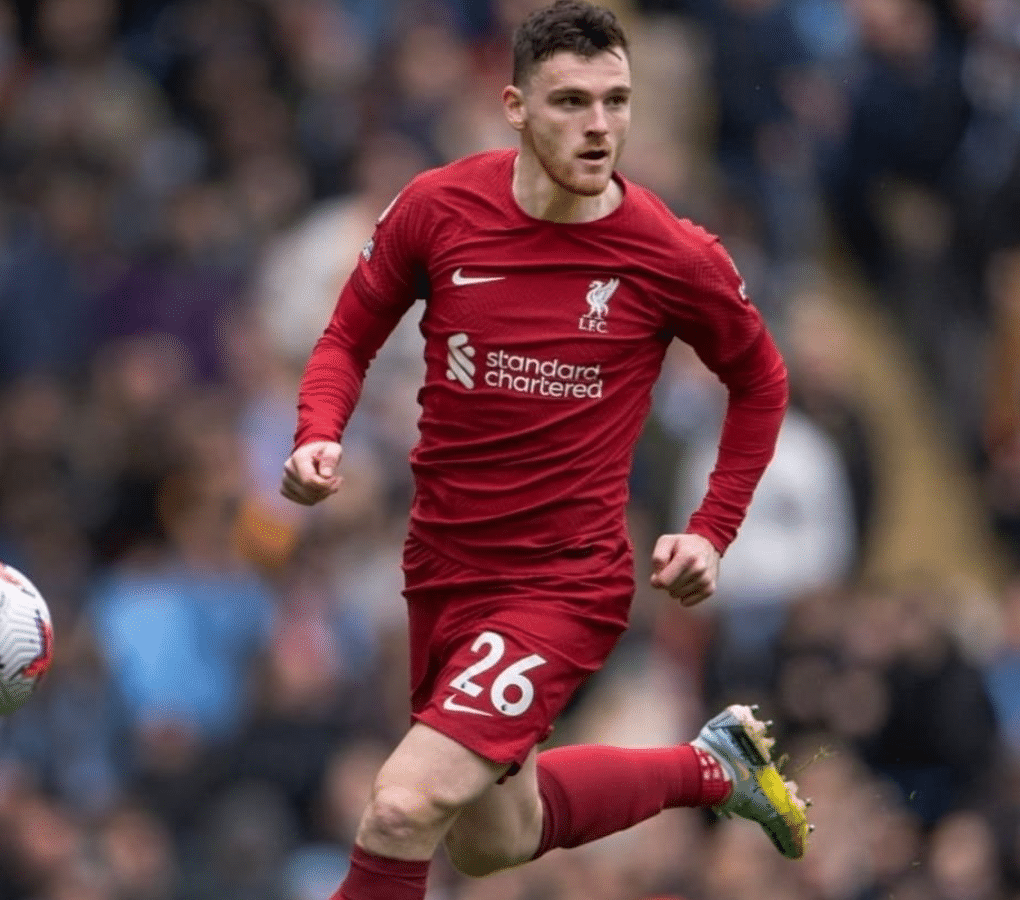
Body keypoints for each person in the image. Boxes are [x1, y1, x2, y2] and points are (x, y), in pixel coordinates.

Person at [279, 2, 810, 896]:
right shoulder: (437, 208)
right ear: (515, 106)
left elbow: (762, 382)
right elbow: (344, 339)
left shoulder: (673, 255)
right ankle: (712, 769)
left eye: (617, 101)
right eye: (571, 102)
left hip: (562, 581)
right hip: (442, 570)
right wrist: (317, 436)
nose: (599, 126)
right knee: (492, 839)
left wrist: (712, 529)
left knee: (402, 808)